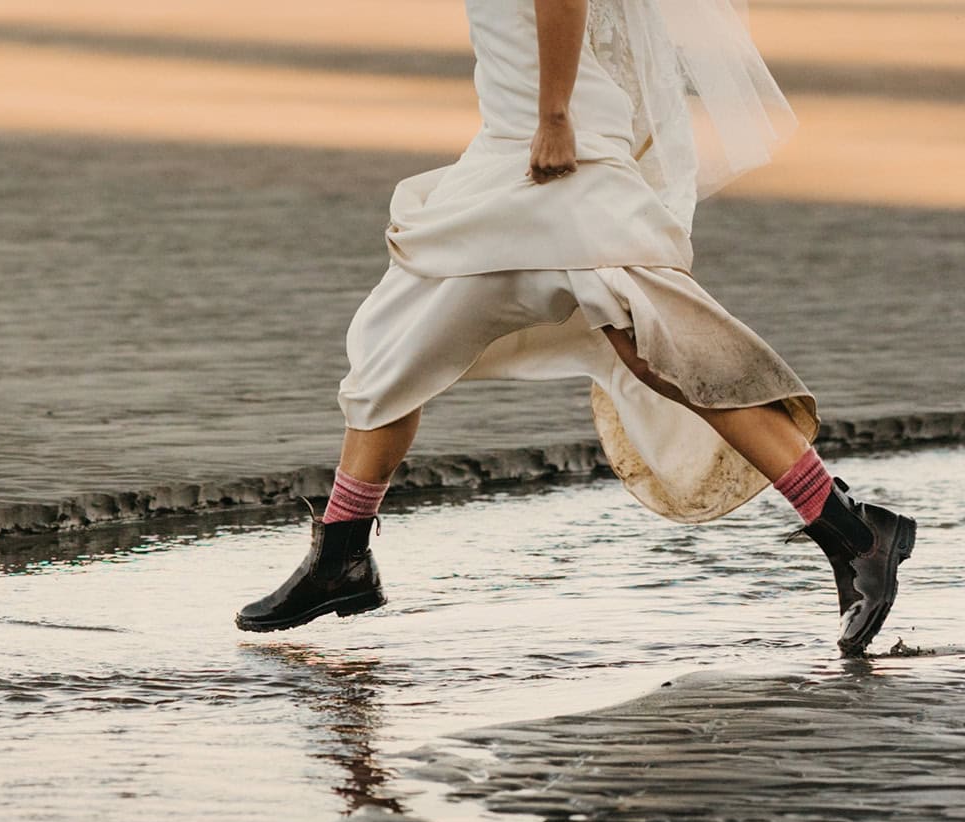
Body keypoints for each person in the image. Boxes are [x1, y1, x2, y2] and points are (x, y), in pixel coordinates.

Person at [235, 0, 916, 656]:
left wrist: (556, 118)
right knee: (397, 341)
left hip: (559, 149)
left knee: (658, 347)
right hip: (511, 146)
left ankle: (854, 536)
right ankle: (343, 555)